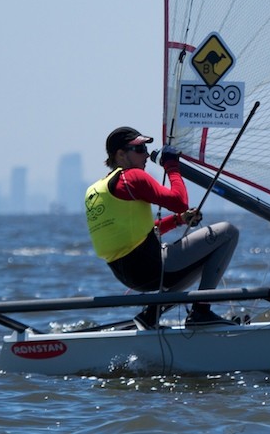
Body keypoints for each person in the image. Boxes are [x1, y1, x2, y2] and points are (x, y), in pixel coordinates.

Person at [84, 126, 239, 328]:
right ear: (120, 154)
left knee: (202, 253)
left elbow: (143, 230)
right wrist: (172, 166)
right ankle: (201, 312)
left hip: (129, 276)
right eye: (139, 150)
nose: (146, 155)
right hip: (151, 269)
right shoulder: (132, 177)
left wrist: (179, 220)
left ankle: (151, 315)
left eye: (146, 149)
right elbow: (179, 201)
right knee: (228, 232)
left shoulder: (95, 190)